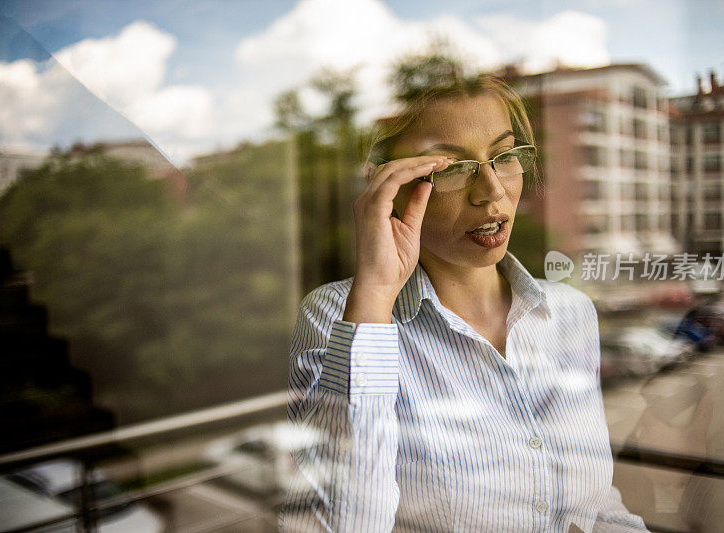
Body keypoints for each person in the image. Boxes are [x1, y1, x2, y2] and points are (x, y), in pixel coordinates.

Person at [278, 74, 648, 532]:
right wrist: (374, 293)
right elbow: (337, 524)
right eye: (452, 168)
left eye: (505, 156)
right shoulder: (341, 315)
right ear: (389, 187)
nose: (491, 190)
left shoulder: (570, 312)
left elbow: (594, 507)